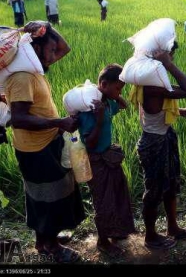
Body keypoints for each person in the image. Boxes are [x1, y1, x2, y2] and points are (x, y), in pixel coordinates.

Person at [5, 23, 85, 262]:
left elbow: (64, 48)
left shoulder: (35, 69)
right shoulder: (22, 77)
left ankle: (45, 241)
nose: (53, 55)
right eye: (49, 51)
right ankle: (51, 247)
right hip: (35, 150)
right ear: (35, 49)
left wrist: (46, 27)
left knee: (53, 193)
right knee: (48, 197)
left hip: (45, 143)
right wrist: (59, 122)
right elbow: (19, 119)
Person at [132, 42, 186, 250]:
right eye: (171, 55)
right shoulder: (153, 85)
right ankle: (150, 236)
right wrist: (169, 65)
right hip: (154, 143)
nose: (173, 58)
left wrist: (182, 111)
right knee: (153, 191)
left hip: (165, 136)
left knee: (171, 184)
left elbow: (161, 110)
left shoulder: (153, 81)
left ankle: (172, 227)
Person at [77, 64, 136, 257]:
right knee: (103, 201)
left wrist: (114, 94)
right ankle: (103, 241)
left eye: (122, 88)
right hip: (96, 160)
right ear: (103, 84)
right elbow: (90, 143)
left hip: (108, 157)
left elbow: (124, 105)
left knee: (118, 194)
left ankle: (116, 231)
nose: (120, 92)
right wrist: (99, 118)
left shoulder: (108, 102)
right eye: (118, 88)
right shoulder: (90, 110)